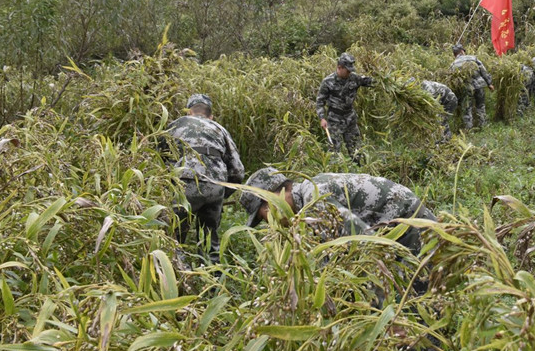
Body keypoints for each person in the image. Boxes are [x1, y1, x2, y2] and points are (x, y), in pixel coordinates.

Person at [241, 168, 436, 256]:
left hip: (409, 223)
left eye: (263, 213)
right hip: (393, 226)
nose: (269, 222)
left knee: (415, 297)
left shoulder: (314, 197)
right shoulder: (308, 198)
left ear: (276, 196)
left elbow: (364, 247)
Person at [165, 93, 245, 264]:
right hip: (215, 185)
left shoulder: (176, 124)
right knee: (210, 240)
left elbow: (159, 159)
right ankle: (212, 284)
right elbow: (238, 171)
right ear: (211, 116)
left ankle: (179, 279)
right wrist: (223, 195)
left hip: (185, 182)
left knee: (174, 238)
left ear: (188, 112)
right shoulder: (219, 129)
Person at [316, 52, 375, 162]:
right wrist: (322, 118)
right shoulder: (327, 82)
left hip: (350, 118)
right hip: (334, 119)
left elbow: (370, 81)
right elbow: (320, 101)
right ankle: (334, 173)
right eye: (347, 70)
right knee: (334, 150)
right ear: (339, 67)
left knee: (356, 148)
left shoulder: (354, 78)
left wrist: (385, 80)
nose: (349, 73)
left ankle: (359, 171)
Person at [449, 43, 494, 131]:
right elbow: (483, 71)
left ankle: (468, 129)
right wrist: (489, 84)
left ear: (455, 54)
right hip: (479, 86)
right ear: (462, 51)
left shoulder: (453, 64)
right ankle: (482, 125)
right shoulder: (473, 58)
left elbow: (453, 81)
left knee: (467, 108)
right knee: (480, 105)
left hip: (466, 88)